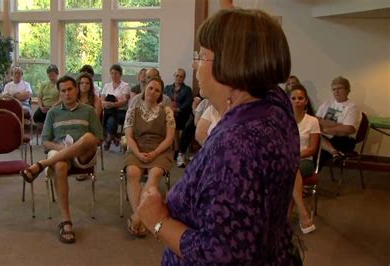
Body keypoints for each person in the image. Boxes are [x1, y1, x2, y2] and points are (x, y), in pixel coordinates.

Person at [136, 9, 299, 264]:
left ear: (229, 65)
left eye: (202, 56)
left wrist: (158, 221)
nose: (195, 64)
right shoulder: (275, 105)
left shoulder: (238, 145)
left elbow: (222, 256)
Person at [20, 75, 102, 244]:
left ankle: (40, 165)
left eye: (70, 89)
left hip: (84, 155)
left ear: (76, 90)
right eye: (63, 91)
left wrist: (76, 147)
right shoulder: (53, 113)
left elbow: (98, 138)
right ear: (59, 93)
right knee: (60, 166)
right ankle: (66, 221)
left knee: (88, 137)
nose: (67, 94)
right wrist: (62, 149)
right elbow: (45, 141)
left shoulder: (88, 110)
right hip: (59, 150)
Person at [123, 77, 175, 237]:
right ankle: (141, 217)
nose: (153, 92)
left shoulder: (167, 111)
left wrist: (154, 153)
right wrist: (138, 153)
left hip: (159, 149)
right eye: (151, 88)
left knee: (155, 173)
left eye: (157, 90)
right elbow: (129, 137)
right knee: (132, 172)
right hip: (137, 148)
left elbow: (169, 139)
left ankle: (137, 217)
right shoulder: (133, 110)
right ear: (145, 89)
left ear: (160, 94)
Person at [289, 84, 320, 234]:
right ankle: (300, 213)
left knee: (291, 171)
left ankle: (300, 212)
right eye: (293, 98)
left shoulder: (313, 121)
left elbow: (312, 149)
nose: (297, 101)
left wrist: (294, 155)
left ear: (306, 101)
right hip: (287, 161)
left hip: (305, 161)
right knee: (287, 171)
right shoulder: (284, 120)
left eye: (300, 98)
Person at [315, 76, 361, 169]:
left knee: (316, 149)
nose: (336, 91)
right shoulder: (327, 103)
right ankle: (334, 153)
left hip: (344, 140)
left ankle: (309, 177)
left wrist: (325, 128)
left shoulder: (352, 107)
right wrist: (336, 125)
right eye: (334, 89)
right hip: (325, 136)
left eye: (339, 88)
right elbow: (315, 120)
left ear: (347, 90)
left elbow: (348, 129)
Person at [164, 68, 193, 163]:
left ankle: (176, 150)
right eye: (177, 75)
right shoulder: (167, 88)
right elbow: (162, 100)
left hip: (181, 115)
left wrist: (177, 109)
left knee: (173, 123)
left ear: (184, 78)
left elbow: (188, 103)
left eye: (181, 76)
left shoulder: (187, 90)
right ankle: (167, 148)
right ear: (174, 76)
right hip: (168, 113)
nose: (178, 78)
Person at [101, 64, 130, 150]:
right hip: (107, 110)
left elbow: (125, 100)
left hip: (120, 111)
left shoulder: (125, 86)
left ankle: (108, 140)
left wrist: (113, 104)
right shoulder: (107, 86)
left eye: (116, 73)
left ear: (120, 74)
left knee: (111, 121)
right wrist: (106, 104)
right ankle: (114, 138)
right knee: (101, 118)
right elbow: (101, 99)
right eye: (112, 73)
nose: (114, 75)